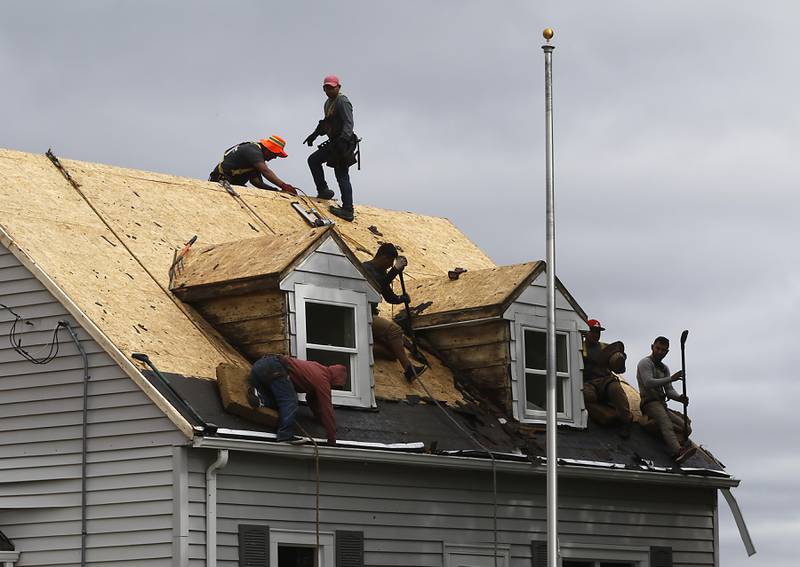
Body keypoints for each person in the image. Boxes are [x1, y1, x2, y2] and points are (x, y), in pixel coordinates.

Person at [248, 354, 346, 445]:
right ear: (335, 379)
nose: (332, 388)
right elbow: (326, 408)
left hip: (259, 368)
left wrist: (319, 419)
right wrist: (332, 437)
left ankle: (260, 397)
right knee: (290, 401)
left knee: (280, 403)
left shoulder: (317, 371)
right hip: (274, 367)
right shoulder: (323, 379)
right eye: (335, 386)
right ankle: (285, 435)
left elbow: (312, 400)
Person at [362, 243, 426, 382]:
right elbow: (377, 286)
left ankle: (362, 348)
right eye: (391, 262)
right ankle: (409, 369)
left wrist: (400, 299)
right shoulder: (365, 269)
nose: (390, 265)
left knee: (393, 352)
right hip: (362, 313)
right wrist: (395, 271)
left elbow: (387, 295)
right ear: (384, 258)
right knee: (395, 331)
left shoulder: (383, 274)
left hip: (371, 316)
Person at [303, 75, 358, 222]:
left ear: (338, 87)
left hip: (343, 142)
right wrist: (315, 134)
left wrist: (344, 140)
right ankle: (323, 191)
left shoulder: (342, 101)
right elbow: (327, 122)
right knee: (313, 160)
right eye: (326, 88)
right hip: (334, 142)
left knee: (341, 174)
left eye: (332, 87)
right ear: (323, 88)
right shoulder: (328, 103)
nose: (329, 90)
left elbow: (348, 123)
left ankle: (348, 209)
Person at [637, 336, 696, 464]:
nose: (659, 352)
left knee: (686, 428)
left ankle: (679, 443)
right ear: (652, 347)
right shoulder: (645, 363)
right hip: (649, 402)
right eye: (657, 348)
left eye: (663, 350)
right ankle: (677, 451)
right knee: (666, 423)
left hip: (662, 404)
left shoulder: (664, 368)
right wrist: (671, 378)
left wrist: (680, 398)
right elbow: (648, 382)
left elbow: (669, 390)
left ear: (667, 352)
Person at [581, 319, 633, 437]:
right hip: (588, 382)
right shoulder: (578, 347)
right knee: (587, 395)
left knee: (616, 388)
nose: (596, 334)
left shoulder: (605, 347)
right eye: (593, 331)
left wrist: (620, 358)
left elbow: (619, 367)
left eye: (598, 332)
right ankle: (605, 416)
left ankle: (626, 421)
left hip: (605, 380)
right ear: (585, 332)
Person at [209, 136, 300, 195]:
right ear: (269, 150)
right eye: (275, 154)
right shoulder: (253, 151)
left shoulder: (256, 159)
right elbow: (265, 171)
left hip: (232, 184)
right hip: (220, 181)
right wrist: (284, 186)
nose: (275, 158)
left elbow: (256, 182)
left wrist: (275, 190)